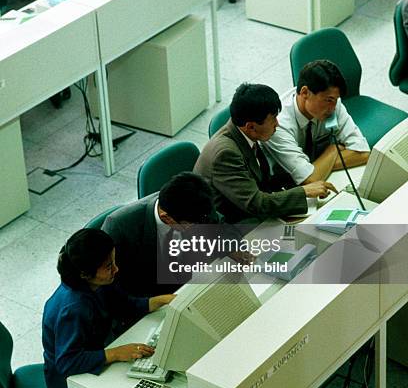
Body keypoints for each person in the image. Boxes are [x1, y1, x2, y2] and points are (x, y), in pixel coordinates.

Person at [42, 228, 174, 388]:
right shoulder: (73, 308)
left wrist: (158, 302)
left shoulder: (98, 284)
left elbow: (123, 304)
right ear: (85, 273)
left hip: (90, 359)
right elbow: (67, 362)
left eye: (113, 261)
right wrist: (114, 354)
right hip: (68, 384)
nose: (116, 269)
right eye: (108, 266)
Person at [194, 83, 337, 223]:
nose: (277, 124)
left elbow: (263, 180)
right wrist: (303, 191)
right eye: (273, 118)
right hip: (232, 227)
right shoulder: (225, 155)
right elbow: (256, 204)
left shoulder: (245, 133)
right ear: (251, 126)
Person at [101, 171, 218, 293]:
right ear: (166, 218)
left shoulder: (197, 203)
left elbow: (217, 224)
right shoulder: (120, 228)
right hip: (148, 295)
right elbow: (110, 286)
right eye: (189, 226)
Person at [263, 60, 370, 186]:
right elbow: (309, 180)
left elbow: (363, 152)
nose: (334, 107)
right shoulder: (277, 125)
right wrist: (333, 149)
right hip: (284, 186)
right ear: (305, 93)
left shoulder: (332, 104)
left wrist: (319, 167)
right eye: (329, 100)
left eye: (336, 100)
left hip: (323, 177)